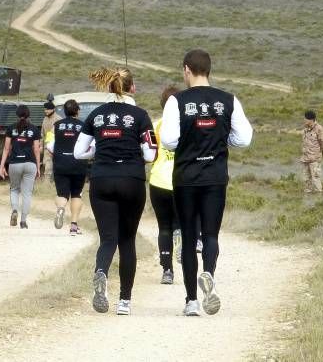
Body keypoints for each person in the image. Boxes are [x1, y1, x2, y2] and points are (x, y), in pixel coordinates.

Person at [160, 49, 253, 317]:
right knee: (210, 235)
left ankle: (191, 301)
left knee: (189, 238)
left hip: (186, 178)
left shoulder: (176, 101)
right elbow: (245, 138)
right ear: (208, 70)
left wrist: (189, 143)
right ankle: (208, 273)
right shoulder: (228, 100)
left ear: (187, 69)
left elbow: (168, 140)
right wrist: (224, 142)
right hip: (215, 176)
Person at [74, 67, 157, 316]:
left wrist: (97, 152)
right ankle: (124, 302)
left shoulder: (96, 116)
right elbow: (151, 154)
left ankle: (101, 271)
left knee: (108, 239)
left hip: (101, 180)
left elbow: (79, 152)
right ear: (132, 87)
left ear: (109, 87)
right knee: (127, 240)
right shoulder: (140, 115)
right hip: (131, 179)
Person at [149, 85, 181, 285]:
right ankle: (182, 241)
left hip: (158, 180)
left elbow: (150, 154)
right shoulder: (187, 125)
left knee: (163, 227)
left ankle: (167, 269)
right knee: (183, 223)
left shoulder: (156, 125)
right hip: (181, 181)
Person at [47, 99, 87, 235]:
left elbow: (49, 145)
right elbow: (89, 145)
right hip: (78, 164)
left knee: (62, 194)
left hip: (60, 163)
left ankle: (61, 208)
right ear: (77, 111)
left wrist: (57, 155)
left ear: (64, 112)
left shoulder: (56, 125)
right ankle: (74, 226)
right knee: (76, 194)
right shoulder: (83, 126)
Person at [0, 105, 41, 229]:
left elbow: (7, 148)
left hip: (15, 163)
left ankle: (14, 210)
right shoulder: (34, 129)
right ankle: (23, 222)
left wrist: (2, 166)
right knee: (27, 193)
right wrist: (38, 167)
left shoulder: (11, 128)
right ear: (29, 115)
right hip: (30, 163)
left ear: (17, 114)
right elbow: (37, 149)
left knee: (14, 189)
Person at [301, 109, 323, 194]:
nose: (304, 120)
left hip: (315, 159)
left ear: (311, 120)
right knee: (306, 179)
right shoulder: (305, 129)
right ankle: (307, 198)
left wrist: (322, 154)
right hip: (306, 158)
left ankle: (319, 200)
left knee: (316, 179)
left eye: (305, 119)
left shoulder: (319, 129)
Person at [41, 100, 62, 179]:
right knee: (45, 164)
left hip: (56, 146)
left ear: (53, 109)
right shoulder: (45, 119)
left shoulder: (58, 119)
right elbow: (42, 134)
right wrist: (41, 146)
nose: (45, 111)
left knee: (49, 165)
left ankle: (47, 185)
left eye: (47, 109)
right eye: (45, 109)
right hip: (47, 146)